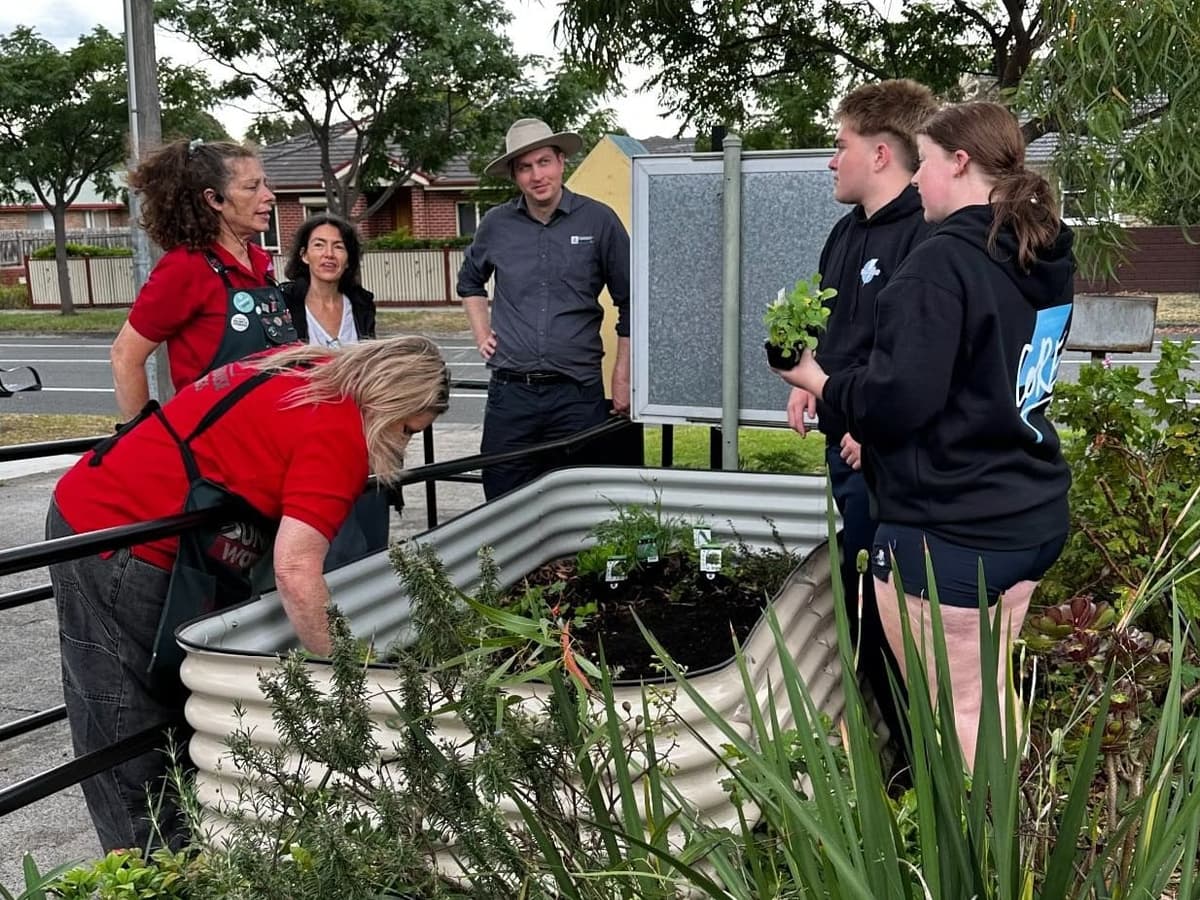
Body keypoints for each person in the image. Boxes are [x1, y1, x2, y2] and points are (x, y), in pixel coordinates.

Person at [47, 336, 449, 852]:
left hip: (123, 505)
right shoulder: (339, 430)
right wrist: (349, 677)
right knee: (128, 718)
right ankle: (153, 869)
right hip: (115, 534)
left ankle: (183, 851)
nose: (402, 445)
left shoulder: (308, 365)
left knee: (168, 704)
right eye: (408, 429)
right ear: (393, 400)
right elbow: (297, 569)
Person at [773, 101, 1075, 768]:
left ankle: (971, 867)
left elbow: (893, 404)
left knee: (955, 716)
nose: (917, 183)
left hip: (953, 526)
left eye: (928, 165)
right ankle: (1012, 844)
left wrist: (818, 382)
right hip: (1026, 510)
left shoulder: (942, 262)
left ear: (959, 162)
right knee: (986, 697)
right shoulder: (1036, 250)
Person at [786, 78, 938, 753]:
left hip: (889, 458)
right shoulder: (845, 234)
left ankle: (917, 771)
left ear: (881, 153)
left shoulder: (927, 237)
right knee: (863, 604)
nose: (830, 159)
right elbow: (830, 324)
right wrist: (809, 382)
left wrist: (866, 425)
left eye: (839, 144)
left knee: (897, 618)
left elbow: (915, 361)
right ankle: (887, 751)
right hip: (844, 443)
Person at [457, 117, 631, 499]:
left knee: (581, 502)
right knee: (504, 500)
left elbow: (630, 300)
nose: (537, 175)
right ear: (515, 176)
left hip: (577, 394)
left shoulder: (599, 220)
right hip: (511, 394)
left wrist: (622, 373)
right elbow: (469, 281)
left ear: (560, 162)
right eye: (525, 167)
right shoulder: (496, 225)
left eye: (544, 162)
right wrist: (481, 332)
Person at [110, 139, 297, 419]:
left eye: (265, 184)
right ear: (214, 199)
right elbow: (125, 356)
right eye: (252, 187)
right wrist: (142, 437)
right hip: (212, 446)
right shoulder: (185, 267)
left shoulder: (260, 260)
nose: (269, 195)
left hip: (268, 436)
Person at [280, 213, 388, 568]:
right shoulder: (283, 304)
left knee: (372, 543)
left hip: (360, 436)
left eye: (339, 247)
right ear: (303, 255)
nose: (329, 254)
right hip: (308, 441)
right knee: (335, 545)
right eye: (319, 245)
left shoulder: (360, 303)